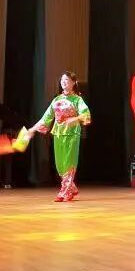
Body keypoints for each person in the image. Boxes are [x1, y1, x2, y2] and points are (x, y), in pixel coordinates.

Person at [27, 71, 91, 202]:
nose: (63, 82)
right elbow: (46, 118)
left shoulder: (77, 99)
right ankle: (71, 187)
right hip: (58, 133)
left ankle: (64, 192)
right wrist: (32, 129)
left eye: (67, 80)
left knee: (69, 162)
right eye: (62, 80)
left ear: (73, 83)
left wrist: (75, 119)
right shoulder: (56, 100)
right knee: (60, 164)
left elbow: (86, 114)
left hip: (72, 134)